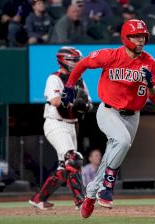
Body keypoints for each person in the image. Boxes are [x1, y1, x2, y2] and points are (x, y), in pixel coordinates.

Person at [63, 19, 155, 218]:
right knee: (123, 141)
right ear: (126, 37)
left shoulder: (151, 64)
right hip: (109, 111)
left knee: (112, 154)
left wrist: (150, 84)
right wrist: (69, 86)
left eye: (143, 36)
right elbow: (83, 63)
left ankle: (90, 195)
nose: (140, 40)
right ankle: (107, 187)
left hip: (133, 115)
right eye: (136, 36)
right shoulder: (111, 55)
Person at [29, 46, 93, 210]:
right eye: (73, 60)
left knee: (65, 168)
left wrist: (84, 106)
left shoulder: (80, 80)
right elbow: (56, 101)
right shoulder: (55, 78)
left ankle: (39, 198)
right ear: (63, 60)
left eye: (78, 60)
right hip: (55, 122)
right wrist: (75, 103)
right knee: (73, 159)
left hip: (71, 126)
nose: (77, 63)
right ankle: (81, 201)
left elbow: (89, 104)